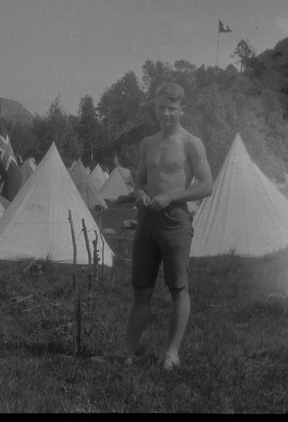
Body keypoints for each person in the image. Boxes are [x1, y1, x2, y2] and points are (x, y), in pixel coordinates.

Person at [96, 82, 213, 371]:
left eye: (172, 109)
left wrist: (171, 196)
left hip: (175, 219)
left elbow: (207, 185)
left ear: (182, 109)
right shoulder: (147, 142)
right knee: (141, 289)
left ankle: (171, 353)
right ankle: (126, 351)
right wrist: (140, 194)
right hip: (147, 218)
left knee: (178, 288)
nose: (166, 114)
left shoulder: (191, 142)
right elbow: (139, 182)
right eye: (161, 108)